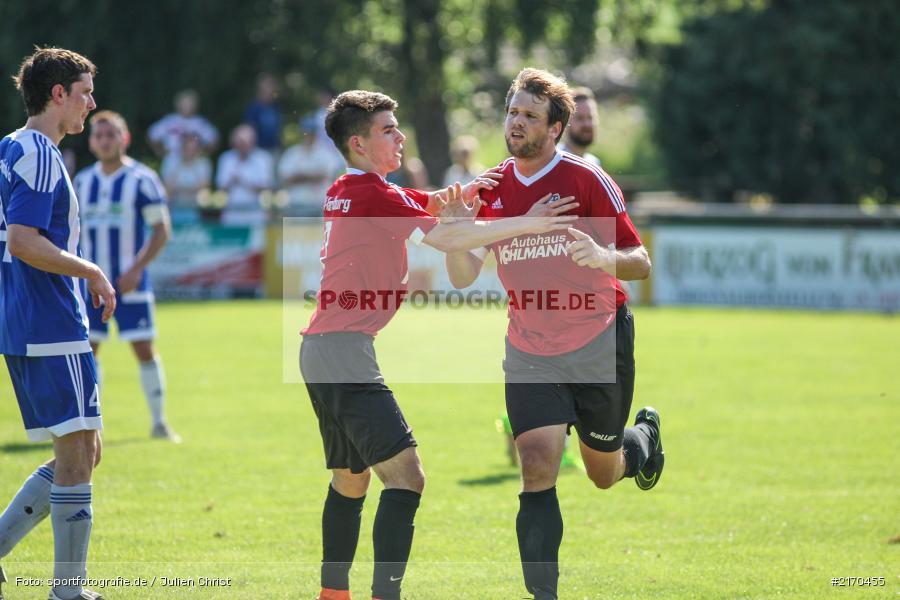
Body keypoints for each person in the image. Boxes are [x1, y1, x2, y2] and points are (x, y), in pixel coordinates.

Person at [302, 89, 579, 600]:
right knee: (407, 477)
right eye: (389, 130)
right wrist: (533, 221)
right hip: (342, 352)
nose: (400, 136)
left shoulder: (351, 186)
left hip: (324, 349)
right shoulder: (372, 192)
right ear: (360, 143)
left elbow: (430, 204)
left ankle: (332, 593)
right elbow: (449, 238)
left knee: (351, 479)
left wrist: (476, 187)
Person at [445, 68, 664, 600]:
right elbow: (464, 275)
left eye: (529, 116)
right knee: (538, 465)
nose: (516, 124)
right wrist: (456, 234)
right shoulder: (491, 188)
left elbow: (642, 261)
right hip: (529, 350)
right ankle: (544, 594)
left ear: (557, 126)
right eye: (511, 113)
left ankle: (643, 442)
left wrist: (605, 256)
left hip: (599, 343)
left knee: (602, 473)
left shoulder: (586, 180)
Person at [0, 46, 116, 600]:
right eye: (86, 93)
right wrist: (91, 269)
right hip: (49, 321)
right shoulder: (42, 153)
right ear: (58, 94)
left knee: (84, 451)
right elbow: (24, 242)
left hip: (26, 320)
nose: (91, 105)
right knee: (77, 457)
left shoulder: (11, 148)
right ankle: (68, 592)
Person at [74, 110, 179, 443]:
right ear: (91, 142)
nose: (105, 141)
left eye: (111, 135)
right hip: (91, 285)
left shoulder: (142, 178)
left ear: (125, 138)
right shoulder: (82, 181)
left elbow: (162, 230)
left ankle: (159, 422)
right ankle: (91, 426)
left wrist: (136, 268)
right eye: (99, 135)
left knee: (144, 348)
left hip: (130, 283)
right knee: (88, 351)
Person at [277, 115, 342, 216]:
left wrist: (300, 176)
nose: (309, 136)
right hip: (295, 207)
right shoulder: (292, 153)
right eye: (306, 132)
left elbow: (325, 176)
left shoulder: (326, 153)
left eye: (312, 133)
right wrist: (312, 175)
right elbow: (285, 179)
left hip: (319, 207)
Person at [215, 124, 273, 226]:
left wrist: (243, 181)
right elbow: (221, 187)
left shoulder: (263, 158)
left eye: (247, 141)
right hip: (231, 214)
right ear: (234, 142)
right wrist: (234, 181)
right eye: (241, 141)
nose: (244, 145)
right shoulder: (226, 158)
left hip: (256, 214)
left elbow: (266, 186)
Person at [147, 89, 218, 158]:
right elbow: (152, 135)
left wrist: (202, 153)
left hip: (195, 161)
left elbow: (214, 140)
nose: (187, 106)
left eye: (190, 103)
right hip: (172, 158)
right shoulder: (170, 121)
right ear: (177, 104)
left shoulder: (200, 123)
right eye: (184, 103)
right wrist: (159, 151)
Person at [161, 132, 212, 224]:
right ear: (181, 148)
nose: (189, 152)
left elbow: (204, 187)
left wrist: (180, 189)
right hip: (174, 209)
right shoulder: (170, 162)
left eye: (193, 149)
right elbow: (167, 189)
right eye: (187, 149)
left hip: (197, 211)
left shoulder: (203, 163)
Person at [557, 86, 601, 166]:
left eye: (590, 117)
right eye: (580, 118)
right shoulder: (553, 161)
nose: (587, 124)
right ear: (565, 122)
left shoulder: (594, 163)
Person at [243, 73, 283, 155]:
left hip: (274, 149)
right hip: (258, 150)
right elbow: (250, 130)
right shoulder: (253, 108)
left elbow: (278, 130)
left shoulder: (275, 108)